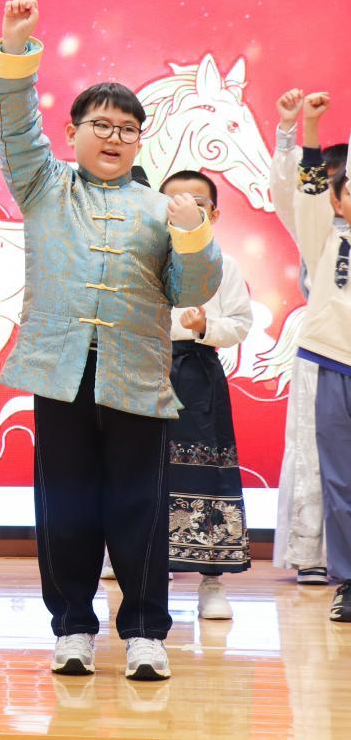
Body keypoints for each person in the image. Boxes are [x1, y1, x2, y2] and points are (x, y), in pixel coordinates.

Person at [0, 0, 221, 681]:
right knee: (64, 505)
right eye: (101, 125)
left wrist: (193, 233)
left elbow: (193, 289)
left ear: (140, 142)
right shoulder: (44, 186)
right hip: (60, 371)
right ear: (73, 132)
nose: (114, 137)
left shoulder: (160, 209)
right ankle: (72, 628)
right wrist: (16, 51)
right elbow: (15, 127)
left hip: (137, 378)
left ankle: (146, 631)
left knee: (139, 508)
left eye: (127, 128)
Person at [158, 170, 253, 619]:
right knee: (140, 468)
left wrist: (206, 326)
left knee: (208, 474)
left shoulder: (225, 264)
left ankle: (212, 581)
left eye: (197, 204)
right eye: (173, 202)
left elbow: (240, 323)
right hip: (147, 368)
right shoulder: (146, 259)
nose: (184, 210)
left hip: (198, 373)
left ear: (213, 214)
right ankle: (138, 563)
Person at [271, 88, 343, 586]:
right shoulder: (318, 230)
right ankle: (313, 550)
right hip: (325, 352)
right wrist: (292, 132)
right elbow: (292, 193)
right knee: (318, 454)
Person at [290, 92, 351, 623]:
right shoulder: (324, 241)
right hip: (334, 364)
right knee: (339, 480)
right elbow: (308, 192)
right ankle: (349, 581)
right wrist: (310, 125)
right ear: (338, 199)